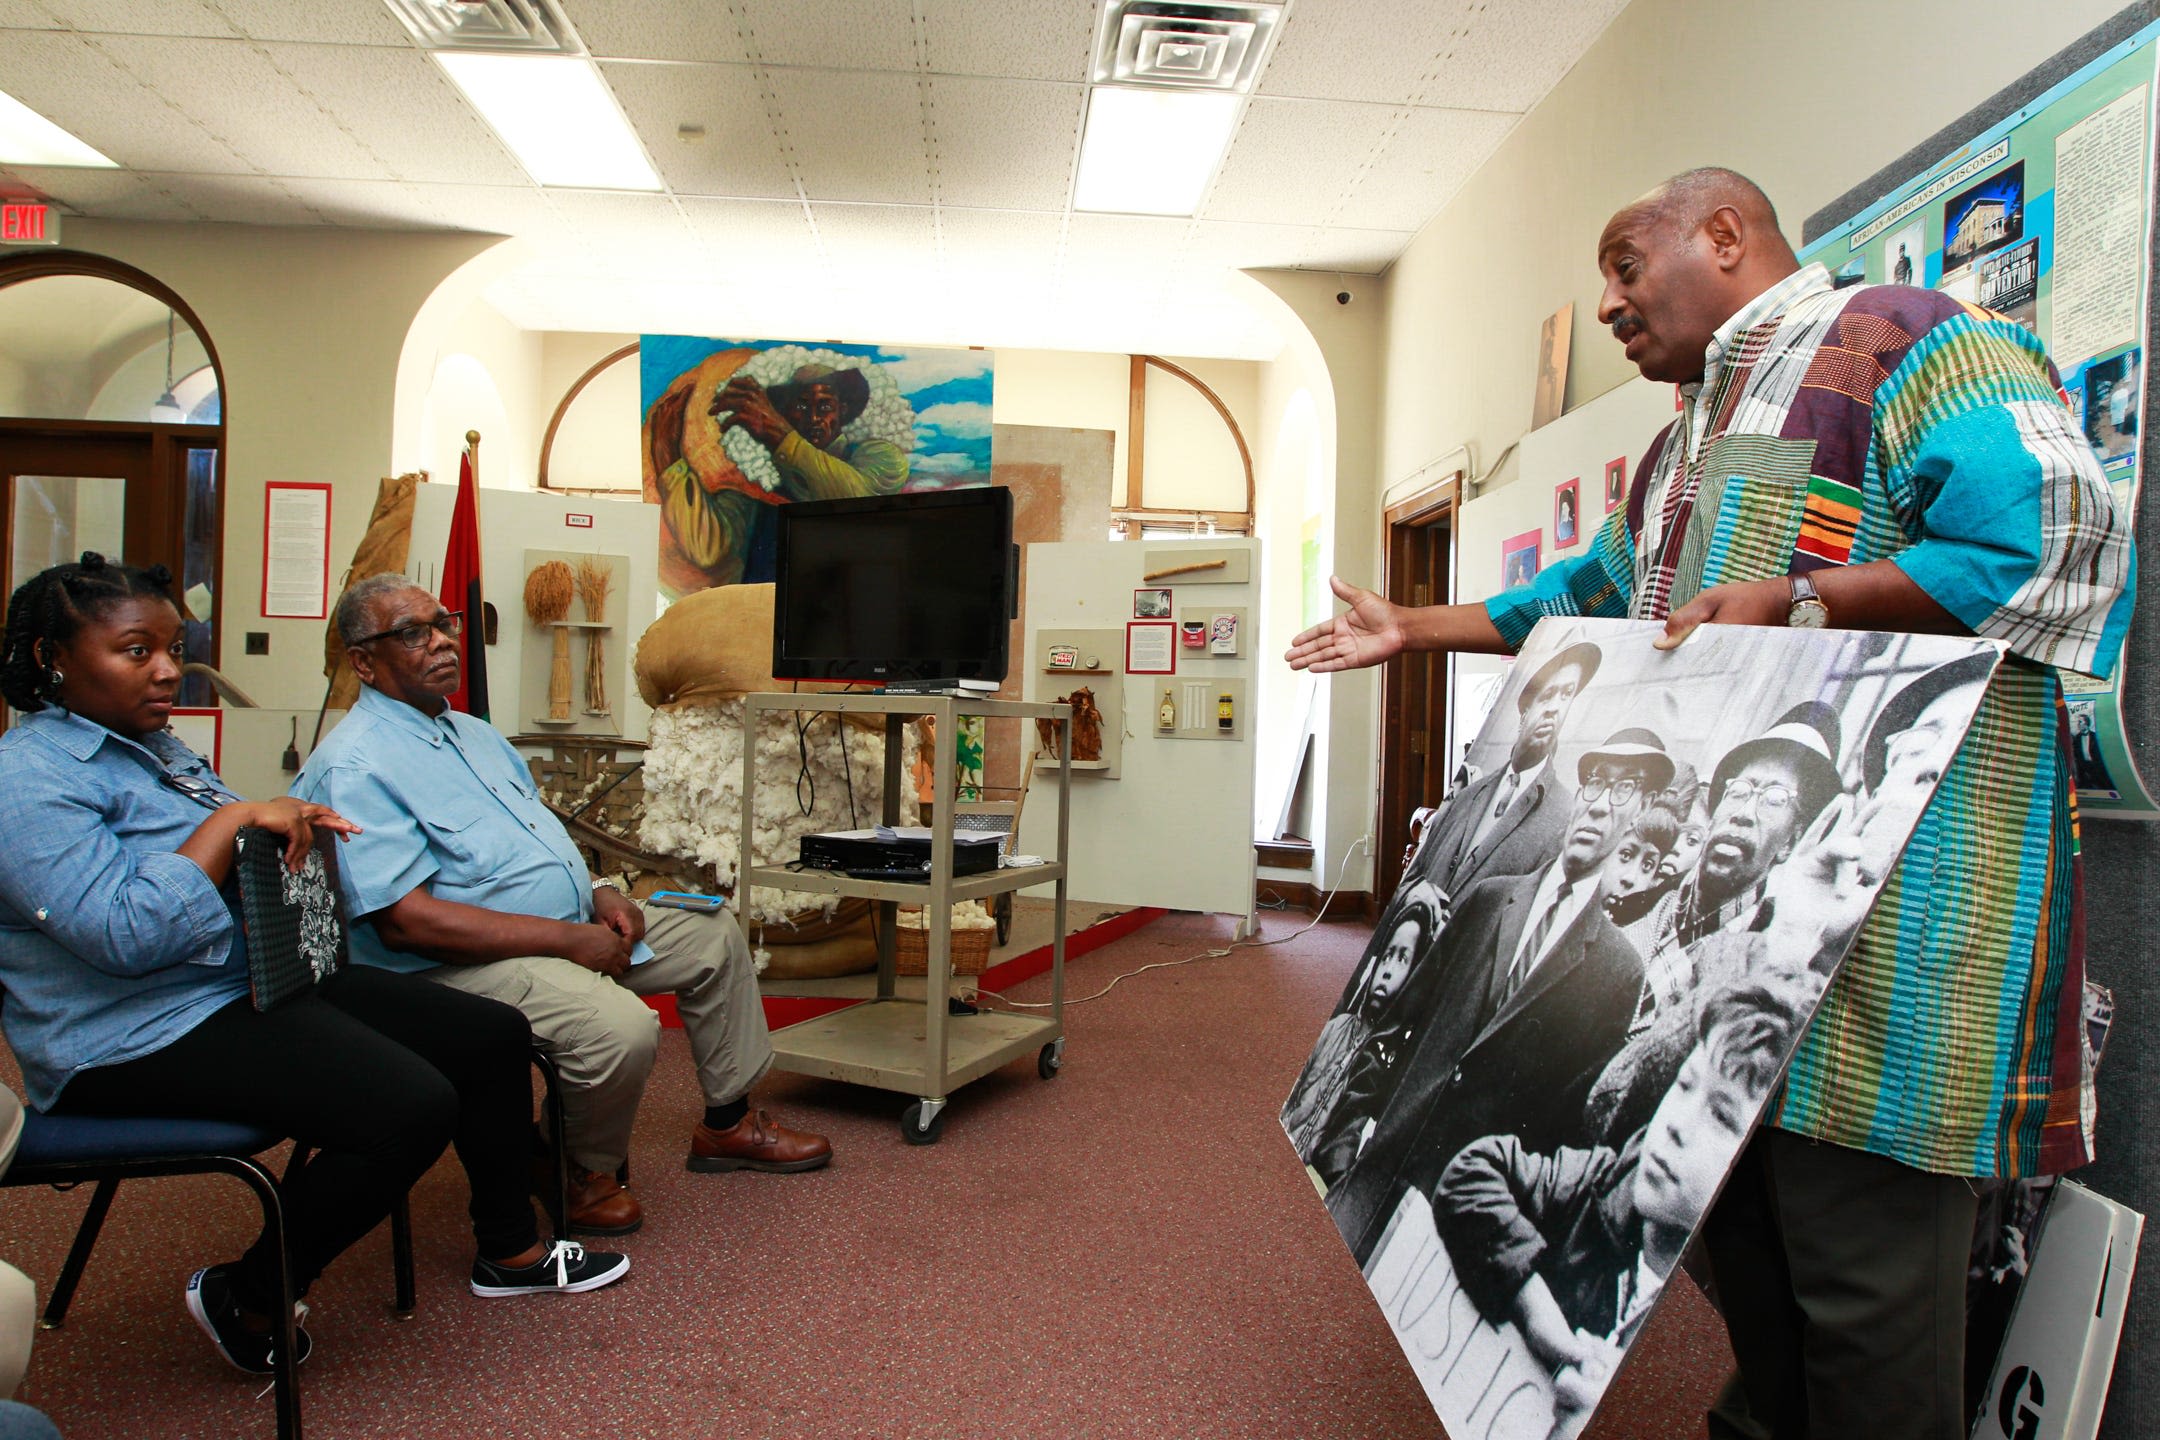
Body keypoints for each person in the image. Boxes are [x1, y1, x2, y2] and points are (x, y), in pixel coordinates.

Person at [1288, 167, 2132, 1438]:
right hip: (1724, 975)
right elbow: (1595, 592)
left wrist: (1810, 600)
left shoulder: (1912, 341)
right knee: (1759, 1282)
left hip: (1895, 950)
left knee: (1868, 1305)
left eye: (1628, 265)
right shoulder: (1691, 440)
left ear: (1726, 236)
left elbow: (2056, 534)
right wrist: (1418, 627)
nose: (1612, 306)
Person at [0, 556, 626, 1376]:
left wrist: (286, 836)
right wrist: (234, 827)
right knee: (408, 1107)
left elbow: (229, 857)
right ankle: (249, 1295)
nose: (166, 671)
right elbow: (123, 935)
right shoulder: (25, 781)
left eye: (170, 647)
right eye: (134, 651)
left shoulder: (154, 746)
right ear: (52, 658)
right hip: (125, 1035)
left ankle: (507, 1254)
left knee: (492, 1035)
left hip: (244, 983)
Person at [293, 575, 830, 1238]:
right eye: (412, 632)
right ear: (363, 661)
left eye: (443, 623)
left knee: (710, 931)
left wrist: (602, 893)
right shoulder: (354, 766)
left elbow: (545, 836)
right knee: (619, 1028)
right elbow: (409, 925)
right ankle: (576, 1170)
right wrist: (565, 941)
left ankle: (728, 1125)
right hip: (447, 971)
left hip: (562, 930)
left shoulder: (473, 735)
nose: (441, 641)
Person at [1314, 728, 1672, 1263]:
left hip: (1459, 1213)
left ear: (1640, 810)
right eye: (1595, 782)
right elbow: (1395, 1024)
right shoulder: (1488, 900)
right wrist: (1344, 1144)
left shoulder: (1618, 971)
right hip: (1383, 1161)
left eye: (1624, 789)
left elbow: (1565, 1129)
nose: (1600, 803)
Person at [1434, 974, 1807, 1440]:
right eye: (1686, 1084)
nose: (1676, 1126)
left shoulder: (1744, 1316)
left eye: (1722, 1116)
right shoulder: (1604, 1184)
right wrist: (1537, 1314)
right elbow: (1472, 1172)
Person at [1410, 640, 1601, 897]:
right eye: (1547, 695)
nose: (1555, 708)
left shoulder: (1566, 815)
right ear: (1524, 713)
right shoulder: (1469, 794)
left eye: (1567, 694)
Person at [1281, 889, 1434, 1161]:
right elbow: (1300, 1089)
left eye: (1401, 959)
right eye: (1387, 955)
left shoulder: (1386, 1063)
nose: (1387, 970)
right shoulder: (1339, 1026)